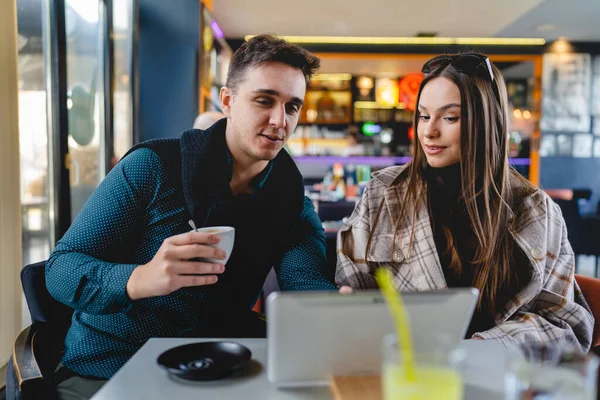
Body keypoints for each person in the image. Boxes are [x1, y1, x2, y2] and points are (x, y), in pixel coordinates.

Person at [46, 34, 342, 399]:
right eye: (264, 100)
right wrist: (140, 278)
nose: (280, 120)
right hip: (111, 367)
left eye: (292, 107)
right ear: (228, 101)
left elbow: (305, 284)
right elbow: (60, 269)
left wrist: (340, 310)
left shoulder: (289, 200)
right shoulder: (152, 168)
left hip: (219, 367)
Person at [336, 54, 594, 351]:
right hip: (406, 369)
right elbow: (351, 288)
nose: (429, 131)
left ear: (487, 122)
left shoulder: (535, 210)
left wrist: (482, 348)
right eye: (423, 115)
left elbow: (565, 325)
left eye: (450, 117)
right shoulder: (384, 192)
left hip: (499, 379)